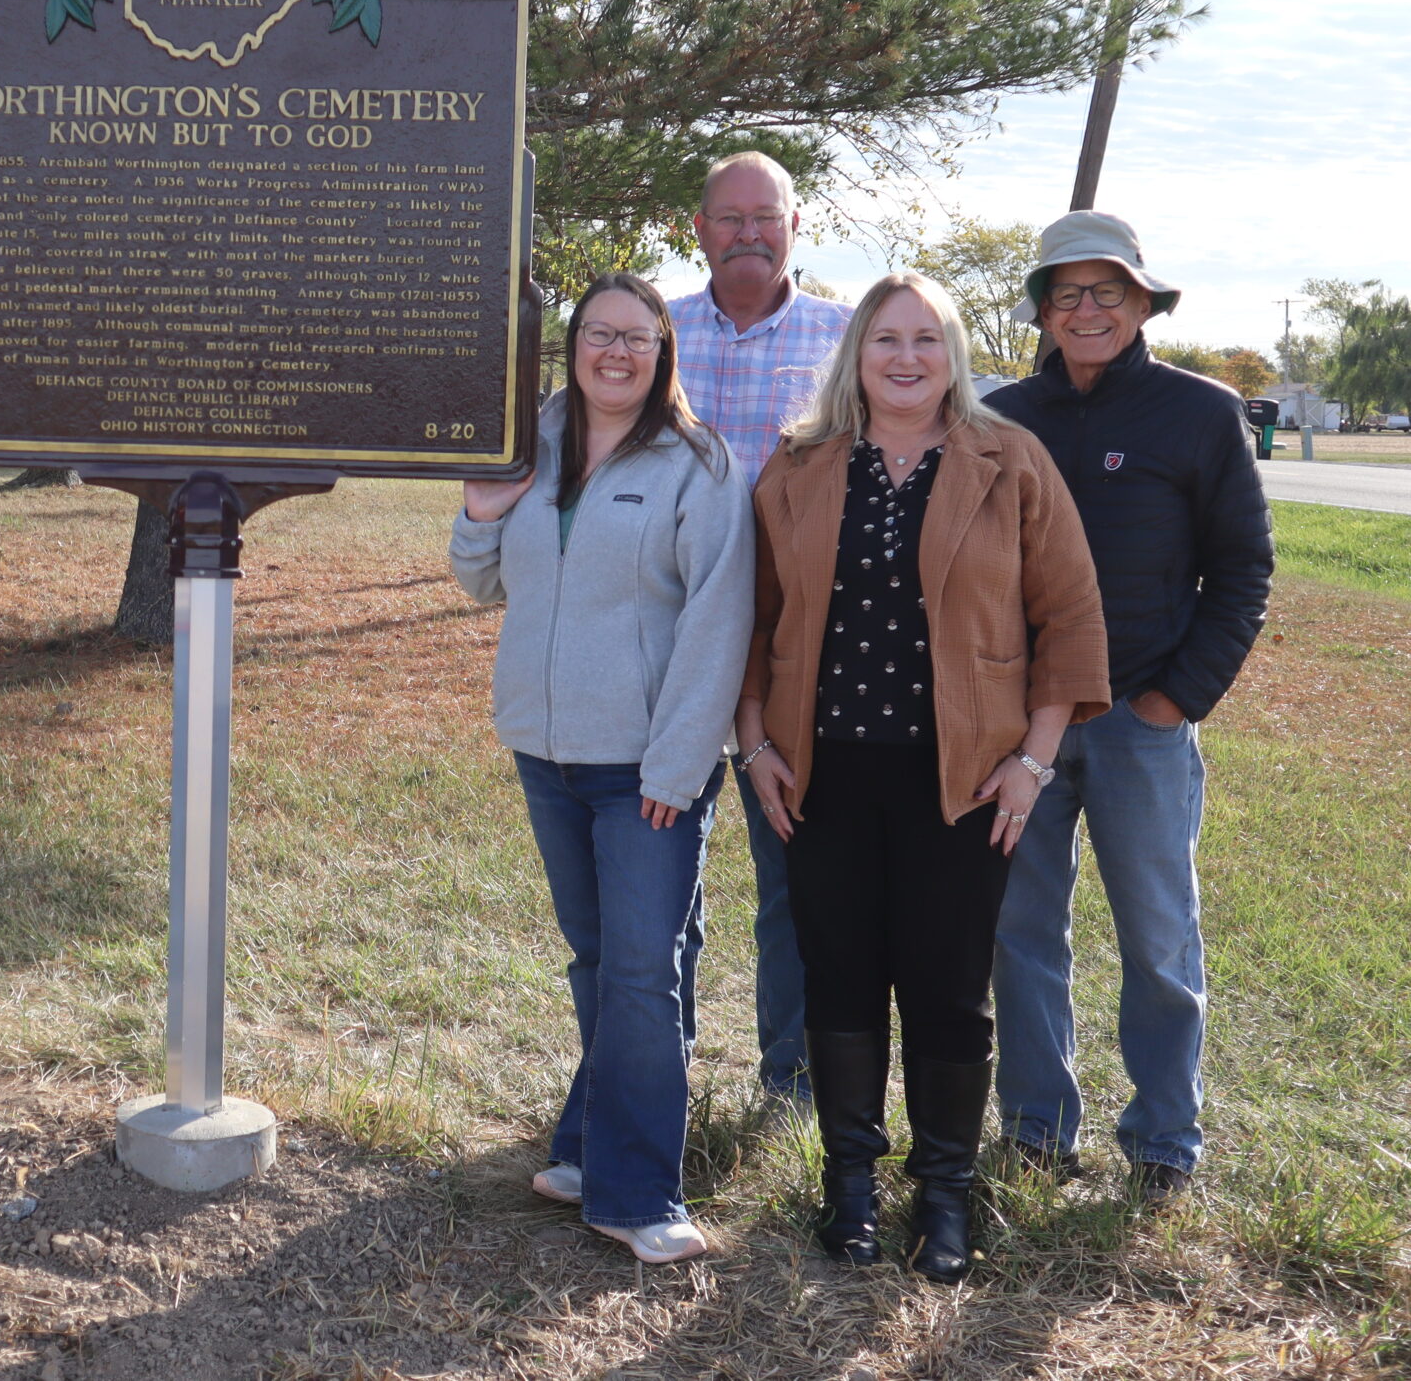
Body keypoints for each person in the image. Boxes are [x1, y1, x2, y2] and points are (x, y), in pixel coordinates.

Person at [738, 272, 1108, 1283]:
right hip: (821, 773)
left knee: (948, 989)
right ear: (854, 354)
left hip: (966, 777)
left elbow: (1067, 618)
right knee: (840, 976)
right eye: (885, 339)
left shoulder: (1009, 460)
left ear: (953, 355)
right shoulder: (800, 464)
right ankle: (849, 1184)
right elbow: (751, 618)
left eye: (926, 340)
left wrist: (1034, 761)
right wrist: (754, 746)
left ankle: (942, 1191)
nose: (905, 358)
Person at [452, 273, 754, 1265]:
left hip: (644, 769)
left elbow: (717, 627)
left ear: (663, 352)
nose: (614, 352)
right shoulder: (526, 441)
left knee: (639, 974)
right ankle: (587, 1147)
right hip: (545, 749)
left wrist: (677, 767)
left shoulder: (698, 466)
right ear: (571, 344)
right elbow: (477, 579)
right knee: (600, 962)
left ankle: (638, 1195)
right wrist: (481, 509)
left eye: (636, 336)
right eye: (597, 334)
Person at [988, 213, 1273, 1205]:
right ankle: (1032, 1130)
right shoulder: (1001, 415)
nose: (1087, 310)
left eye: (1107, 290)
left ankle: (1163, 1143)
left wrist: (1173, 700)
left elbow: (1242, 572)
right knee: (1019, 934)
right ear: (1041, 310)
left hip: (1136, 723)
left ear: (1144, 302)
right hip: (1020, 729)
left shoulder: (1200, 414)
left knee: (1157, 940)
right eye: (1065, 292)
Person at [666, 151, 854, 1111]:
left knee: (795, 878)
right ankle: (664, 1067)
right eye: (727, 216)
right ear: (697, 228)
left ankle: (793, 1079)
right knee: (662, 876)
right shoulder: (654, 335)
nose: (747, 232)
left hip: (795, 655)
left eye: (764, 216)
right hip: (671, 646)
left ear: (793, 226)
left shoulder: (846, 339)